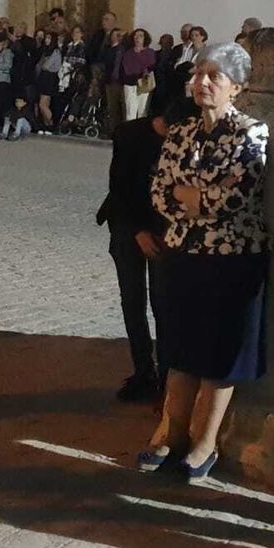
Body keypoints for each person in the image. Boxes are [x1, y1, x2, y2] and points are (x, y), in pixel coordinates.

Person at [139, 43, 268, 481]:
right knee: (179, 348)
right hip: (183, 257)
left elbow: (233, 198)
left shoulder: (251, 133)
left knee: (218, 353)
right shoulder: (180, 133)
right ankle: (170, 432)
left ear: (238, 86)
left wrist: (188, 194)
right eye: (199, 74)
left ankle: (205, 441)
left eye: (215, 76)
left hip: (231, 261)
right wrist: (195, 197)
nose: (202, 83)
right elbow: (159, 193)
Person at [96, 97, 197, 403]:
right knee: (133, 301)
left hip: (164, 228)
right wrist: (138, 230)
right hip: (127, 224)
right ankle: (144, 371)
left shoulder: (186, 142)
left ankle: (167, 379)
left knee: (163, 303)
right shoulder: (129, 134)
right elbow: (121, 186)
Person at [117, 29, 158, 122]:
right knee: (130, 111)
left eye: (140, 36)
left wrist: (143, 72)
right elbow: (126, 68)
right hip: (130, 83)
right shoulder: (128, 53)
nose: (137, 38)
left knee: (142, 111)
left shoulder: (150, 52)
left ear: (145, 38)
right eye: (135, 36)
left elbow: (151, 66)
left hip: (144, 83)